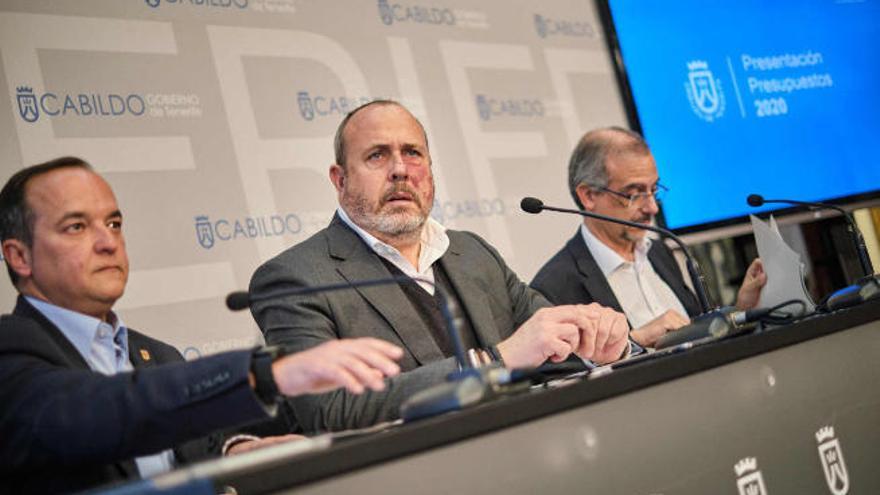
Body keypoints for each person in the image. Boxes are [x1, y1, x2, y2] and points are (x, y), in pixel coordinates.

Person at [0, 157, 404, 494]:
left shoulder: (156, 355)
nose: (108, 242)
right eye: (76, 227)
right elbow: (111, 409)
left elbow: (179, 435)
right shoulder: (11, 350)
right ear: (19, 256)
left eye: (114, 224)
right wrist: (265, 372)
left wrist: (233, 453)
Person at [249, 100, 631, 433]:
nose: (400, 170)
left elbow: (552, 352)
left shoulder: (472, 252)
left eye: (413, 153)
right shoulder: (294, 278)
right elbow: (330, 412)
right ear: (340, 179)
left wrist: (602, 345)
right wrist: (495, 360)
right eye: (377, 155)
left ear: (430, 170)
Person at [531, 127, 766, 347]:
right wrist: (636, 340)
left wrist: (741, 308)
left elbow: (701, 332)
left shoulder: (659, 252)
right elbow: (566, 373)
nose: (652, 208)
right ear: (589, 196)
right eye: (634, 194)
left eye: (653, 190)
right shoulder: (554, 285)